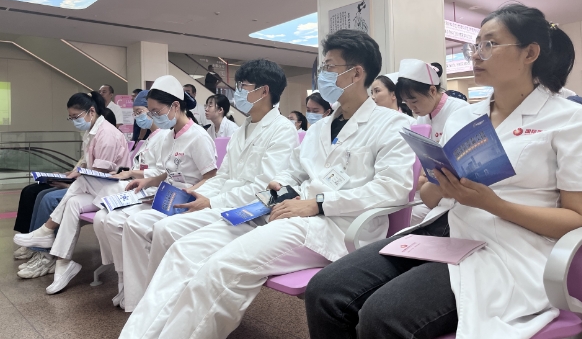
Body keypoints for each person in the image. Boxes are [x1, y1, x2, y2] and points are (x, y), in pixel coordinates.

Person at [305, 4, 582, 339]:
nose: (476, 55)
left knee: (383, 316)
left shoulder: (571, 120)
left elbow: (580, 218)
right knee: (325, 291)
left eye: (489, 44)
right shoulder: (465, 117)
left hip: (512, 246)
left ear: (529, 53)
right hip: (446, 226)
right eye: (475, 45)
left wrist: (493, 204)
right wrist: (441, 183)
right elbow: (429, 197)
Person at [119, 29, 416, 339]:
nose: (323, 75)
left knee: (223, 267)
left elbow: (392, 189)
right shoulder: (320, 130)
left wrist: (317, 204)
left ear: (356, 73)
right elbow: (294, 172)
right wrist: (279, 186)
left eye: (330, 67)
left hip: (335, 226)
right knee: (185, 250)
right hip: (285, 210)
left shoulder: (392, 125)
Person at [122, 59, 299, 312]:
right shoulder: (241, 131)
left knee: (166, 229)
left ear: (264, 91)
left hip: (249, 211)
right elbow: (223, 176)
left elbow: (264, 190)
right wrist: (196, 193)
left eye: (243, 86)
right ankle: (156, 304)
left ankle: (163, 306)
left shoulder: (282, 130)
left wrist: (211, 201)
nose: (237, 92)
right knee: (157, 225)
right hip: (223, 200)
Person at [117, 75, 218, 311]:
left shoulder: (198, 137)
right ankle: (138, 293)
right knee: (131, 224)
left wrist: (186, 193)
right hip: (169, 198)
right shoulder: (169, 136)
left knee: (137, 225)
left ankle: (151, 294)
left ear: (175, 106)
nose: (153, 117)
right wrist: (149, 182)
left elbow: (212, 177)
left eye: (156, 111)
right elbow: (168, 171)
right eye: (150, 112)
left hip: (187, 202)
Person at [14, 92, 130, 288]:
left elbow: (99, 173)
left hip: (115, 191)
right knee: (73, 203)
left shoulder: (107, 134)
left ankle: (45, 230)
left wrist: (75, 177)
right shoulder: (92, 132)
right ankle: (63, 264)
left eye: (76, 117)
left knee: (81, 181)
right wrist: (73, 174)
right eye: (71, 117)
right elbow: (87, 165)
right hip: (98, 191)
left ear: (91, 111)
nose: (74, 121)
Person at [93, 90, 168, 308]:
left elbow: (162, 172)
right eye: (135, 113)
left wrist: (133, 173)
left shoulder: (165, 136)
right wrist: (132, 173)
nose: (138, 117)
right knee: (99, 218)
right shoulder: (148, 138)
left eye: (141, 112)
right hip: (140, 186)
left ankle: (128, 280)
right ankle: (123, 276)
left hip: (151, 189)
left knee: (111, 214)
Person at [396, 59, 469, 225]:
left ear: (432, 90)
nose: (411, 107)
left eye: (414, 101)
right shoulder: (422, 118)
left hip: (455, 190)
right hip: (432, 190)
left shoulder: (460, 110)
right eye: (406, 103)